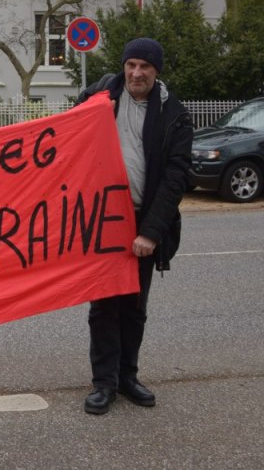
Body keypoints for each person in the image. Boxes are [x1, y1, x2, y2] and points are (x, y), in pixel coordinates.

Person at [76, 37, 192, 415]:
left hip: (144, 220)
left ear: (156, 71)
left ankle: (128, 376)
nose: (136, 73)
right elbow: (66, 135)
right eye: (131, 65)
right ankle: (104, 383)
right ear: (123, 66)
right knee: (103, 306)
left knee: (134, 306)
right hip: (103, 218)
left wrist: (151, 232)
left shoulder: (175, 114)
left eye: (144, 66)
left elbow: (176, 177)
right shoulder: (100, 98)